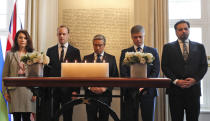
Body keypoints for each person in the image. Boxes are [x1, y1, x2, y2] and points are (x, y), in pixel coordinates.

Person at [161, 20, 208, 121]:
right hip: (175, 91)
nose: (183, 31)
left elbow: (204, 66)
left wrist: (195, 80)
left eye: (186, 29)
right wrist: (176, 81)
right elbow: (165, 67)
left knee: (193, 118)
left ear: (189, 30)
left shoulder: (199, 47)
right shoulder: (168, 47)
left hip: (193, 91)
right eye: (180, 29)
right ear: (176, 32)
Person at [120, 25, 160, 121]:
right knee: (130, 118)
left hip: (148, 91)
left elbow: (156, 71)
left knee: (148, 118)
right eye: (135, 37)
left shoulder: (153, 51)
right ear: (131, 37)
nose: (138, 39)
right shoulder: (125, 52)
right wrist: (134, 85)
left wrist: (144, 86)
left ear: (144, 36)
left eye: (140, 37)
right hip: (130, 92)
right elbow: (123, 72)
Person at [41, 25, 81, 121]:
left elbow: (78, 72)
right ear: (57, 35)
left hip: (68, 91)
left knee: (68, 117)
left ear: (68, 35)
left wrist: (76, 91)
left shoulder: (75, 51)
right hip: (53, 91)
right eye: (59, 34)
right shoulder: (50, 51)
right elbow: (46, 72)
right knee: (53, 117)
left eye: (64, 34)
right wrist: (46, 91)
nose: (61, 36)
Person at [2, 30, 36, 121]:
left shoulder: (33, 55)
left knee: (26, 118)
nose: (22, 40)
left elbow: (37, 75)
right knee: (16, 118)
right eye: (20, 37)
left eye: (25, 38)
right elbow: (5, 75)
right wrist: (5, 92)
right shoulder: (10, 54)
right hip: (14, 91)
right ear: (16, 39)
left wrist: (36, 93)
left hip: (29, 91)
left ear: (28, 40)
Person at [83, 34, 119, 121]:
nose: (97, 48)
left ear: (104, 45)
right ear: (93, 45)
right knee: (91, 118)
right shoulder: (86, 58)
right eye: (95, 45)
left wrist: (105, 88)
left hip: (105, 96)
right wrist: (90, 88)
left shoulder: (111, 58)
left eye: (100, 45)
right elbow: (82, 76)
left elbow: (115, 76)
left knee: (104, 118)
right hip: (89, 95)